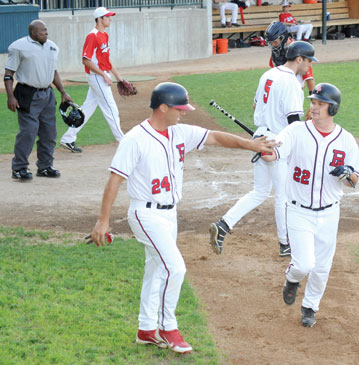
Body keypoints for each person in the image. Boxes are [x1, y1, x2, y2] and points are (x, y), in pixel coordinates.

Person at [88, 82, 272, 354]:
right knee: (176, 268)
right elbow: (115, 181)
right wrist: (102, 221)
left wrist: (251, 145)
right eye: (180, 108)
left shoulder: (179, 133)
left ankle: (146, 329)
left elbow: (217, 137)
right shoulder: (134, 140)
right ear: (163, 107)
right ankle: (168, 328)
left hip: (169, 213)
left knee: (157, 268)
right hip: (145, 213)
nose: (184, 113)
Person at [262, 83, 359, 327]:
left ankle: (310, 307)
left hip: (329, 213)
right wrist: (265, 149)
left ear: (333, 109)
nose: (314, 107)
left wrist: (347, 173)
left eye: (320, 103)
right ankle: (292, 277)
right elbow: (277, 151)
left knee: (322, 267)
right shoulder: (296, 130)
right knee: (304, 264)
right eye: (313, 102)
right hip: (298, 210)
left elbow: (354, 181)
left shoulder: (346, 140)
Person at [209, 41, 318, 257]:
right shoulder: (291, 83)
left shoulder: (268, 75)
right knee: (282, 196)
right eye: (308, 61)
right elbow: (293, 121)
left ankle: (223, 225)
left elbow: (255, 105)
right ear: (299, 59)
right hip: (277, 141)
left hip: (260, 137)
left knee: (259, 191)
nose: (309, 66)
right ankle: (285, 243)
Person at [4, 20, 73, 180]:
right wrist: (10, 96)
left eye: (46, 30)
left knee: (49, 132)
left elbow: (53, 71)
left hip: (47, 94)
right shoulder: (18, 47)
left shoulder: (52, 47)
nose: (46, 33)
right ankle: (19, 168)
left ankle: (45, 166)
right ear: (33, 33)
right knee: (28, 132)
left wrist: (63, 91)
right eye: (42, 31)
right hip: (27, 94)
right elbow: (8, 74)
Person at [60, 7, 126, 153]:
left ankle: (68, 138)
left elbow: (107, 59)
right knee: (111, 109)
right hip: (96, 77)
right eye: (107, 17)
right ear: (99, 19)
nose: (110, 19)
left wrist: (119, 78)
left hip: (101, 75)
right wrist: (104, 75)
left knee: (87, 109)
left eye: (110, 17)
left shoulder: (105, 35)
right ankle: (123, 141)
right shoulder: (93, 36)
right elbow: (85, 60)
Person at [265, 21, 315, 119]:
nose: (273, 45)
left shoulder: (298, 51)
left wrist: (312, 105)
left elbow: (309, 80)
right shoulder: (277, 52)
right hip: (279, 95)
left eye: (275, 41)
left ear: (283, 38)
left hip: (293, 96)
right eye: (271, 43)